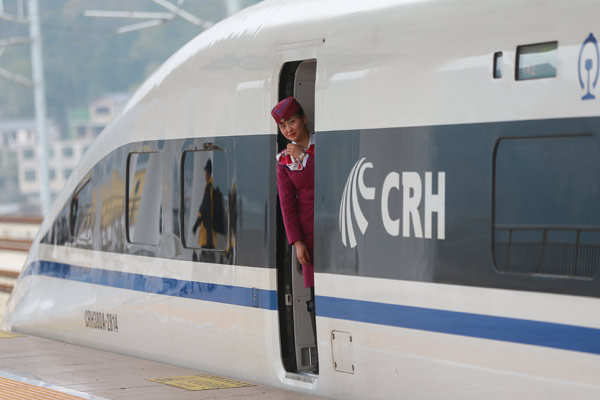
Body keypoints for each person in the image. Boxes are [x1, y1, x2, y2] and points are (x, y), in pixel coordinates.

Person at [273, 96, 315, 288]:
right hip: (309, 233)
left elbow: (333, 178)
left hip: (337, 228)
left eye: (292, 121)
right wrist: (297, 242)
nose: (288, 129)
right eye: (283, 126)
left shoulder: (326, 144)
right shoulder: (283, 160)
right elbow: (286, 203)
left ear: (304, 119)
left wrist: (303, 156)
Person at [192, 159, 216, 250]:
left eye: (206, 172)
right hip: (209, 228)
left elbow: (204, 207)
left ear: (208, 173)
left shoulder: (209, 187)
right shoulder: (211, 186)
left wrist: (198, 221)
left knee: (206, 250)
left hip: (207, 228)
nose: (205, 175)